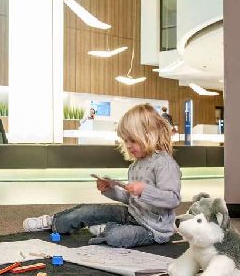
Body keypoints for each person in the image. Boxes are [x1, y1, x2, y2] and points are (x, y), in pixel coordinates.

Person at [23, 104, 181, 247]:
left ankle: (105, 230)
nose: (128, 145)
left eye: (132, 140)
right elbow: (130, 198)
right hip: (132, 215)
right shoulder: (135, 166)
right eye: (125, 140)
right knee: (88, 211)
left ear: (149, 135)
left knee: (117, 237)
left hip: (153, 229)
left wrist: (144, 190)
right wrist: (109, 190)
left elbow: (173, 199)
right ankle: (55, 222)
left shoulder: (165, 164)